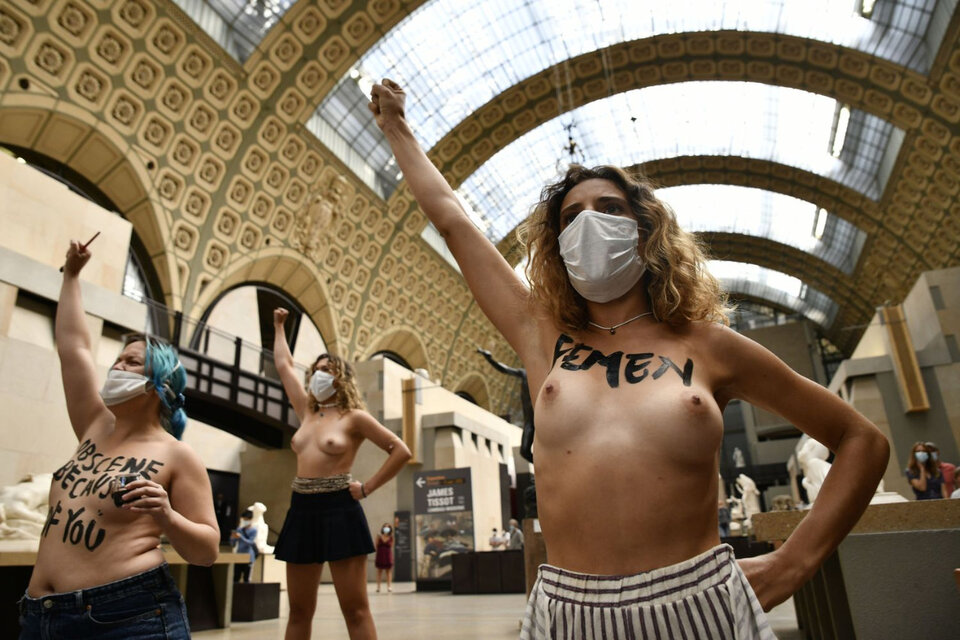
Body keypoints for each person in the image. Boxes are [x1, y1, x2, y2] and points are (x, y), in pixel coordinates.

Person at [369, 79, 890, 639]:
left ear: (644, 232)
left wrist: (794, 562)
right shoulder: (539, 334)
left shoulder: (708, 345)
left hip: (697, 604)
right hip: (568, 613)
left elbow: (862, 441)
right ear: (557, 244)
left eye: (610, 208)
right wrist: (397, 128)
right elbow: (452, 219)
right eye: (571, 217)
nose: (589, 222)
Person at [19, 241, 220, 639]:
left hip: (130, 617)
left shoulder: (177, 456)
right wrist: (72, 276)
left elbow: (207, 550)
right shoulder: (94, 423)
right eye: (118, 358)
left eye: (131, 363)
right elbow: (73, 347)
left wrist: (167, 515)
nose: (116, 367)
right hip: (41, 616)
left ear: (158, 386)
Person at [272, 307, 412, 640]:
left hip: (339, 507)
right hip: (301, 508)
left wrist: (367, 488)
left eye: (327, 370)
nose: (319, 374)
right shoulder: (306, 410)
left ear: (341, 378)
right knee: (300, 612)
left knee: (355, 610)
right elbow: (283, 365)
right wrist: (278, 326)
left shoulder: (354, 417)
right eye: (317, 369)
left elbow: (401, 451)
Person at [478, 348, 535, 462]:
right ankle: (541, 468)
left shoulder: (541, 374)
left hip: (541, 418)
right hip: (529, 421)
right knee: (524, 451)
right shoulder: (524, 373)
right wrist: (490, 359)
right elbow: (504, 369)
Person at [232, 509, 258, 583]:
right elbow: (233, 544)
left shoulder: (254, 530)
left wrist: (241, 537)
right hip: (239, 556)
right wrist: (232, 538)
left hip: (249, 557)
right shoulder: (239, 529)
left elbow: (250, 542)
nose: (244, 521)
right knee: (236, 578)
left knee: (246, 579)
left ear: (250, 520)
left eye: (246, 520)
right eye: (243, 520)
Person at [374, 523, 394, 593]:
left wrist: (386, 537)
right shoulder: (379, 535)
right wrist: (382, 537)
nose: (386, 528)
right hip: (380, 554)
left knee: (388, 571)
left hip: (388, 555)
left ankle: (389, 586)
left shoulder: (391, 536)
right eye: (385, 527)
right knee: (379, 571)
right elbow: (376, 544)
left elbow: (391, 545)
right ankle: (378, 587)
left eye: (388, 527)